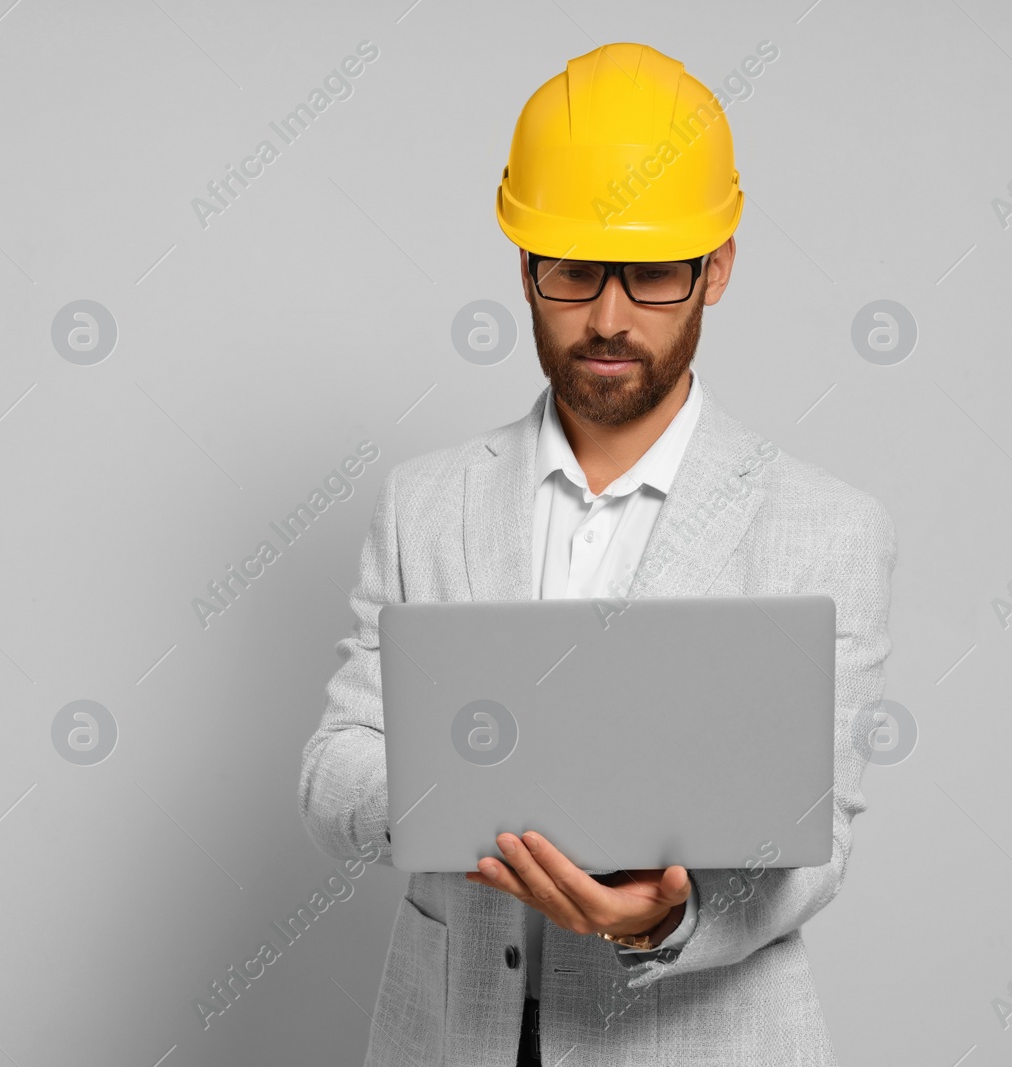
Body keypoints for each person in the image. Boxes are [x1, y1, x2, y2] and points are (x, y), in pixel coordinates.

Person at [297, 42, 896, 1066]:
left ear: (715, 269)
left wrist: (661, 916)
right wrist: (454, 796)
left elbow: (816, 844)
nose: (608, 317)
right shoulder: (424, 504)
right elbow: (333, 769)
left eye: (653, 273)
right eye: (573, 269)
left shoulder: (824, 525)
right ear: (525, 265)